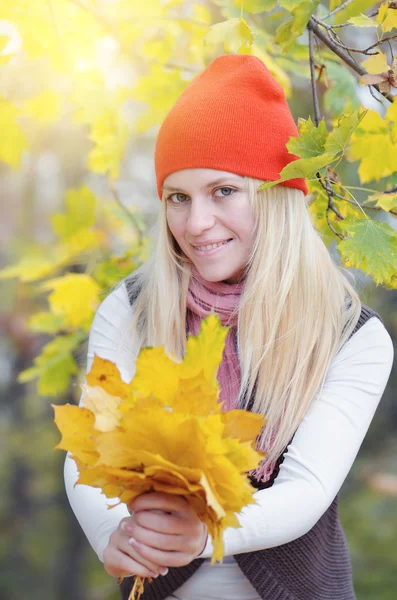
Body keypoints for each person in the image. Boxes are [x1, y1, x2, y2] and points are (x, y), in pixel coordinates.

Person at [64, 54, 394, 600]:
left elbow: (306, 490)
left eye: (223, 191)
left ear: (274, 194)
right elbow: (89, 447)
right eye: (178, 198)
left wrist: (206, 527)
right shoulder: (131, 310)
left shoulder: (352, 337)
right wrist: (109, 534)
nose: (195, 225)